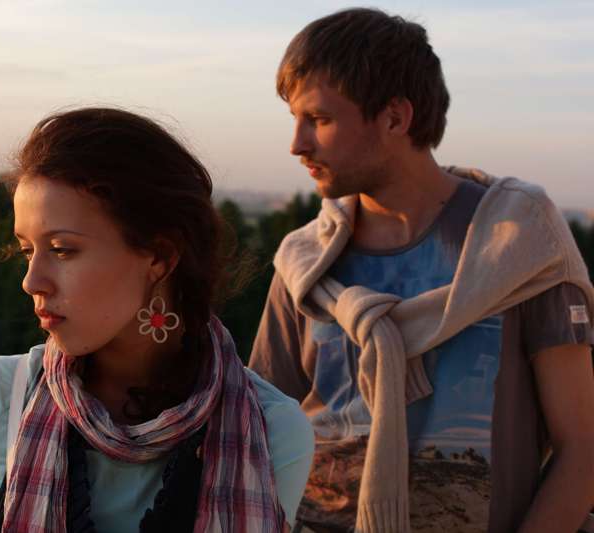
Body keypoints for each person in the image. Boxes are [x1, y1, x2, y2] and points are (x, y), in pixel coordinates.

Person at [249, 8, 594, 533]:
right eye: (295, 119)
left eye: (319, 119)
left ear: (394, 118)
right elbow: (258, 434)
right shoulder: (304, 262)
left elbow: (582, 448)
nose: (297, 143)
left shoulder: (520, 243)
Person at [0, 108, 314, 533]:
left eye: (62, 250)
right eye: (27, 251)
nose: (31, 281)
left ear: (160, 257)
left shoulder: (271, 429)